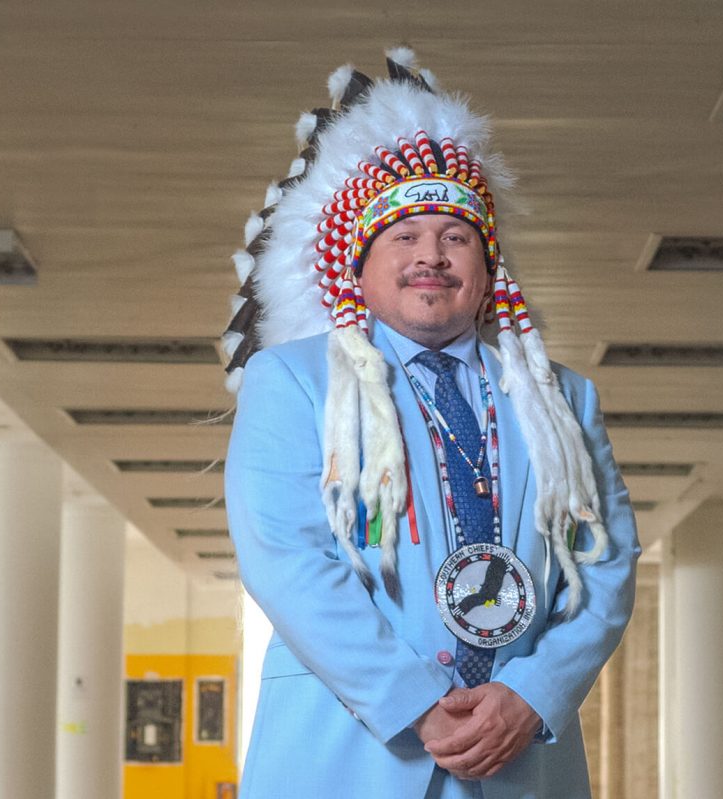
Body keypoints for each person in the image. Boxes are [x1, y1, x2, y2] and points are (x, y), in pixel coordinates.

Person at [221, 48, 640, 799]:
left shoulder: (562, 400)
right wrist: (414, 702)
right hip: (346, 755)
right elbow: (287, 558)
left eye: (455, 237)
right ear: (361, 264)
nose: (431, 258)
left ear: (488, 268)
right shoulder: (293, 382)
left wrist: (534, 692)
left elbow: (605, 567)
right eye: (404, 238)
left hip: (522, 759)